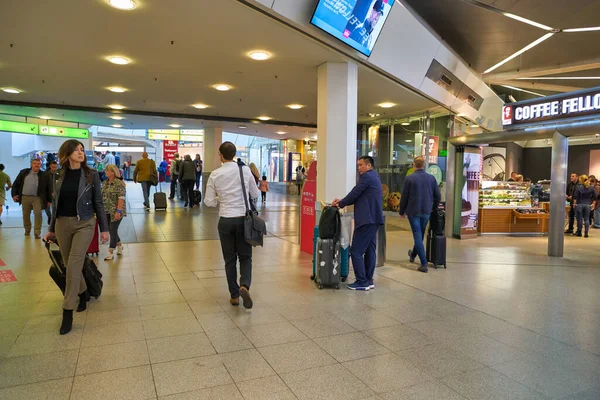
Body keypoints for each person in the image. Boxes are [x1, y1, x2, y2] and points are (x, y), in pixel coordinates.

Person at [43, 139, 109, 335]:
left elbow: (98, 202)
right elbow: (55, 206)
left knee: (73, 263)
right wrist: (51, 228)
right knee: (67, 262)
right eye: (76, 150)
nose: (81, 153)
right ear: (67, 153)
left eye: (82, 149)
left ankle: (67, 311)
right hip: (63, 223)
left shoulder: (91, 175)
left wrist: (104, 229)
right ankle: (82, 291)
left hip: (85, 223)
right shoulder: (57, 175)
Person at [204, 141, 260, 309]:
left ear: (220, 155)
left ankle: (234, 295)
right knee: (245, 257)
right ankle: (244, 285)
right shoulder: (245, 170)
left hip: (226, 221)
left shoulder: (215, 174)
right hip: (244, 220)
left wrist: (220, 198)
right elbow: (255, 194)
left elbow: (208, 202)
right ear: (234, 154)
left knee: (229, 260)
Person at [332, 156, 384, 290]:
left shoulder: (367, 177)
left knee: (356, 251)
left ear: (369, 165)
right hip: (374, 219)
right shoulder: (374, 177)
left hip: (367, 220)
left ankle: (362, 281)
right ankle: (368, 279)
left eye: (361, 165)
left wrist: (341, 203)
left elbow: (355, 193)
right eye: (358, 165)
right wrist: (342, 201)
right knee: (370, 250)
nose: (359, 168)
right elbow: (359, 196)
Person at [399, 156, 442, 273]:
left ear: (414, 165)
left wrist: (401, 211)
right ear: (423, 165)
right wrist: (432, 208)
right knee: (420, 234)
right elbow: (438, 196)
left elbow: (404, 197)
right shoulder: (431, 178)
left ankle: (424, 264)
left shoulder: (409, 179)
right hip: (426, 211)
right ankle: (413, 254)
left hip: (413, 212)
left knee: (417, 235)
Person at [11, 159, 52, 239]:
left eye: (38, 164)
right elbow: (16, 184)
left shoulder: (44, 175)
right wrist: (14, 195)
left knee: (38, 214)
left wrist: (49, 200)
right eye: (34, 163)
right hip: (25, 197)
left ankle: (37, 232)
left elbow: (48, 188)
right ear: (31, 165)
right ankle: (27, 229)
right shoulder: (24, 173)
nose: (36, 165)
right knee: (25, 215)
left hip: (37, 198)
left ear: (40, 165)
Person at [102, 164, 126, 260]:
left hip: (116, 211)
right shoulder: (105, 183)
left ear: (113, 172)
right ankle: (119, 245)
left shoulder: (119, 183)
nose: (105, 172)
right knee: (112, 229)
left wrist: (118, 211)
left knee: (112, 230)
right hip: (106, 210)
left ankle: (111, 251)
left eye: (107, 171)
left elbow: (121, 198)